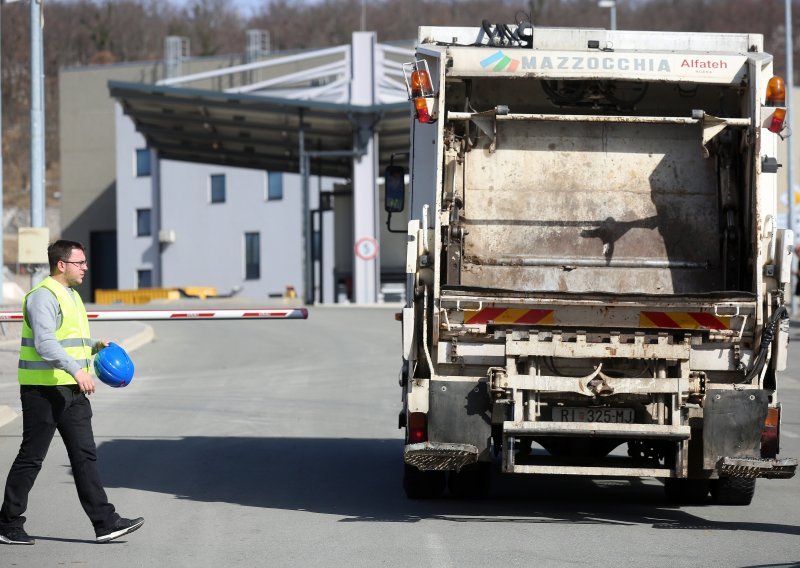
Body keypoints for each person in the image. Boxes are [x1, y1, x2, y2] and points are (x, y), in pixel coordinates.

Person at [0, 240, 143, 545]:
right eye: (80, 263)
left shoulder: (73, 296)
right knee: (32, 457)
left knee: (85, 455)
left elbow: (70, 340)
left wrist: (93, 346)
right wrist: (77, 370)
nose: (86, 268)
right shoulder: (42, 297)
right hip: (43, 390)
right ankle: (8, 523)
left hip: (71, 390)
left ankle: (104, 522)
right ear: (61, 264)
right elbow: (45, 343)